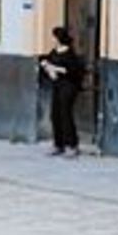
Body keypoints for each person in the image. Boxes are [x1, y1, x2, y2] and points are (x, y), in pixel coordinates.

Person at [40, 25, 86, 157]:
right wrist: (47, 67)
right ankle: (58, 144)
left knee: (66, 114)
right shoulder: (55, 51)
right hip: (57, 85)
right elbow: (45, 61)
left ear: (59, 38)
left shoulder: (69, 53)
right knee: (55, 114)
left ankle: (72, 145)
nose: (53, 40)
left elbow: (72, 70)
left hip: (68, 86)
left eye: (54, 37)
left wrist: (55, 68)